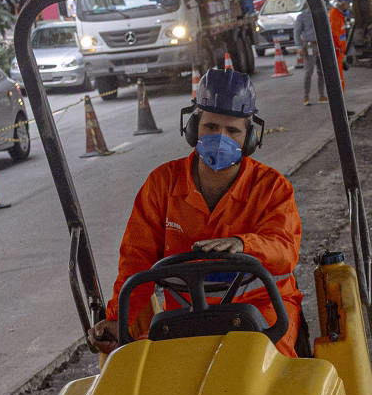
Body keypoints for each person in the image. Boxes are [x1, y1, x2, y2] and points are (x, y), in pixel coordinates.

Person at [93, 68, 304, 359]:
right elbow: (136, 259)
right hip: (184, 316)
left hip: (261, 309)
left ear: (250, 138)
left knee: (262, 373)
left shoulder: (272, 188)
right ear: (194, 129)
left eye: (232, 131)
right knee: (142, 375)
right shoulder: (162, 184)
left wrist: (244, 245)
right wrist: (119, 319)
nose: (221, 138)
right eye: (211, 127)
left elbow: (285, 249)